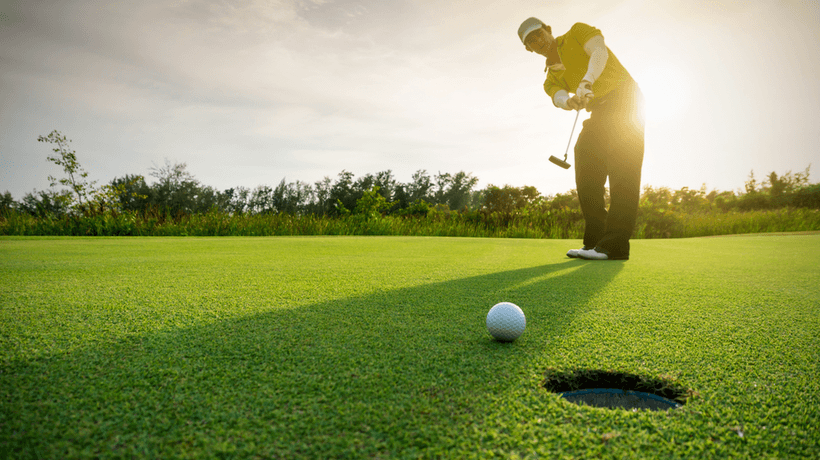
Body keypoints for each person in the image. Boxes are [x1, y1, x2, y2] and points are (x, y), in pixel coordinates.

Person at [518, 18, 645, 260]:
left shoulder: (577, 31)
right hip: (598, 110)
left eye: (539, 33)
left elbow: (599, 50)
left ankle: (616, 245)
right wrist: (570, 101)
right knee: (585, 161)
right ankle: (595, 241)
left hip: (626, 99)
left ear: (548, 30)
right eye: (531, 41)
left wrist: (587, 81)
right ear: (529, 49)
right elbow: (558, 96)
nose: (538, 41)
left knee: (623, 169)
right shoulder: (550, 78)